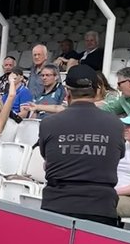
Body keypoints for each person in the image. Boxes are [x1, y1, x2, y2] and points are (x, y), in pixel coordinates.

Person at [37, 65, 125, 225]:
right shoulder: (116, 124)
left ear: (67, 92)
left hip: (58, 204)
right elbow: (118, 156)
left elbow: (47, 157)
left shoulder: (49, 123)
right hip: (101, 207)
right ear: (97, 91)